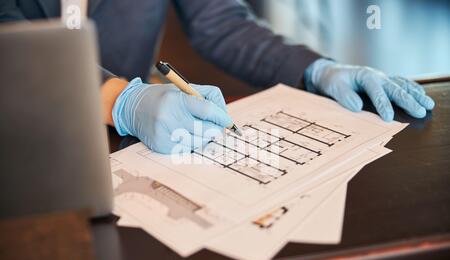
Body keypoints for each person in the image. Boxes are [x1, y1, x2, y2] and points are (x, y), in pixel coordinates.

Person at [0, 0, 435, 154]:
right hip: (22, 131)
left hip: (131, 145)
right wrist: (120, 101)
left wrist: (316, 70)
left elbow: (221, 23)